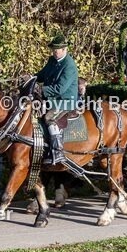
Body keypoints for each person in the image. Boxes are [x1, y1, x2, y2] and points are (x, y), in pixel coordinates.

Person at [34, 35, 79, 165]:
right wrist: (31, 78)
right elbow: (41, 75)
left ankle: (57, 151)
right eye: (53, 49)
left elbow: (60, 89)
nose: (54, 51)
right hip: (51, 99)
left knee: (49, 117)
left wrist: (41, 89)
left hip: (65, 101)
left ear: (64, 49)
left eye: (56, 49)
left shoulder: (69, 65)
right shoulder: (52, 61)